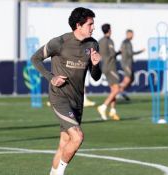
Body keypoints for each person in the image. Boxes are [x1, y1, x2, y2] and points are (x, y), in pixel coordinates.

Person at [31, 7, 101, 175]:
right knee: (77, 137)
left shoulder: (93, 44)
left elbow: (96, 77)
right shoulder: (59, 42)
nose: (93, 28)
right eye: (90, 24)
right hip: (59, 97)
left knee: (65, 142)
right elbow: (36, 58)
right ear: (79, 25)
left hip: (77, 100)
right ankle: (60, 172)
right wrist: (51, 77)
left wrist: (97, 64)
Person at [97, 23, 121, 121]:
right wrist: (120, 52)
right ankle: (103, 106)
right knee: (117, 89)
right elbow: (112, 54)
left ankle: (113, 111)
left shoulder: (99, 41)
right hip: (111, 67)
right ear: (109, 30)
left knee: (113, 90)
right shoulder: (109, 40)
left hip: (104, 66)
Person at [118, 29, 145, 101]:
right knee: (128, 78)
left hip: (127, 63)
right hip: (126, 63)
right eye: (131, 34)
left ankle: (121, 91)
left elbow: (122, 51)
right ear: (128, 34)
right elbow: (130, 53)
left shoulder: (126, 42)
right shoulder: (126, 42)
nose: (133, 36)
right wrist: (141, 51)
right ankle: (117, 91)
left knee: (131, 79)